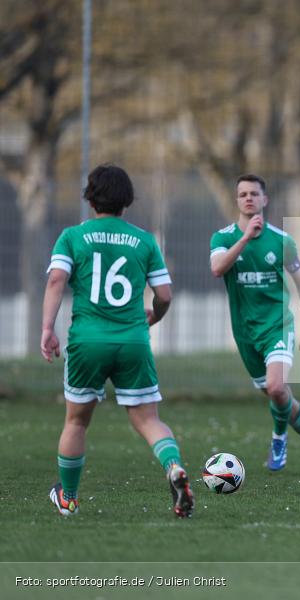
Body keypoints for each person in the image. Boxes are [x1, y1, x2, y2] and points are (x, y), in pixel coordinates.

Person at [42, 164, 194, 517]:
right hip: (132, 340)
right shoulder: (144, 240)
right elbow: (166, 295)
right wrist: (154, 315)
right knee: (147, 419)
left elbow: (55, 282)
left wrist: (47, 329)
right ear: (127, 201)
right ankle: (172, 465)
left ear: (89, 198)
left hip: (88, 340)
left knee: (76, 421)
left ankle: (68, 498)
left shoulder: (72, 236)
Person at [209, 174, 300, 475]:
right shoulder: (223, 238)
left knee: (276, 386)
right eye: (243, 194)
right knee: (279, 396)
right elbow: (217, 268)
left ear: (264, 200)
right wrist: (245, 239)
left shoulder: (282, 241)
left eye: (254, 193)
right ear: (237, 200)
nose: (249, 199)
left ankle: (279, 439)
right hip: (245, 333)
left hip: (277, 326)